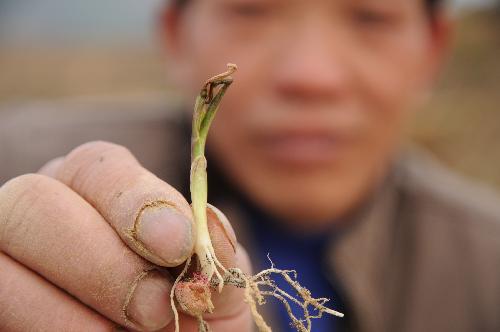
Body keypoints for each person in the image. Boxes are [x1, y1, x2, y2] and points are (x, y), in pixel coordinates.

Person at [1, 0, 499, 331]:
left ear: (433, 50)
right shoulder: (13, 160)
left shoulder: (487, 269)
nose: (311, 76)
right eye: (251, 9)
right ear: (176, 36)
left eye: (371, 17)